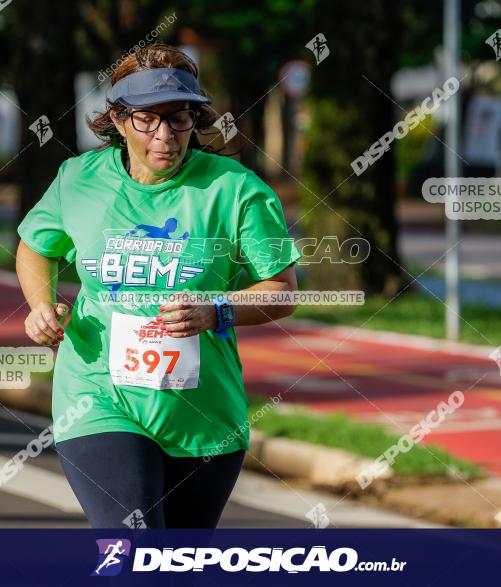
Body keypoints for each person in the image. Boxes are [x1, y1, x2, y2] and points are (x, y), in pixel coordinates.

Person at [15, 43, 301, 528]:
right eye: (147, 119)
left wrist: (215, 309)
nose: (164, 136)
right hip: (97, 395)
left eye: (180, 118)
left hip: (202, 414)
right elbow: (36, 247)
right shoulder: (79, 180)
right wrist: (41, 304)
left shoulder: (235, 190)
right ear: (120, 119)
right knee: (135, 554)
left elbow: (283, 291)